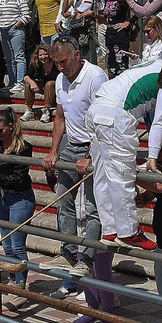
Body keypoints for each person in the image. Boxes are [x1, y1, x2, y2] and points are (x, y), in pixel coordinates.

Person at [84, 54, 162, 257]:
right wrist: (153, 156)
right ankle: (128, 231)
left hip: (96, 110)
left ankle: (110, 229)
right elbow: (159, 122)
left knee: (102, 175)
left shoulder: (153, 64)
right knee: (122, 176)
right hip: (116, 115)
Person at [44, 37, 111, 303]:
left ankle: (87, 258)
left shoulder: (96, 77)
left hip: (95, 144)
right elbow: (60, 117)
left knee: (92, 208)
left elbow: (104, 120)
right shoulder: (60, 80)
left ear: (77, 55)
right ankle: (70, 255)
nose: (60, 67)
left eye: (64, 61)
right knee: (64, 202)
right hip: (70, 144)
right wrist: (53, 150)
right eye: (56, 62)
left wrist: (91, 153)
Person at [0, 107, 35, 281]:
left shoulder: (24, 147)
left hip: (21, 198)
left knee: (17, 245)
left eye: (0, 130)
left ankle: (21, 282)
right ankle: (13, 279)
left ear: (10, 127)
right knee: (7, 246)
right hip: (4, 196)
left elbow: (18, 177)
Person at [0, 0, 32, 93]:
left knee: (19, 57)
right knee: (9, 59)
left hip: (15, 31)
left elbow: (27, 15)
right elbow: (1, 14)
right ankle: (12, 82)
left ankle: (20, 82)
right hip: (3, 31)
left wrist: (15, 25)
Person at [62, 0, 104, 65]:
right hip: (76, 29)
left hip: (89, 30)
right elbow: (64, 11)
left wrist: (92, 14)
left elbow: (103, 17)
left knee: (90, 58)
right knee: (77, 57)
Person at [99, 0, 135, 74]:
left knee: (121, 63)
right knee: (111, 63)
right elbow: (105, 17)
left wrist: (128, 22)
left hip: (120, 32)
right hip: (109, 32)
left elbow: (138, 10)